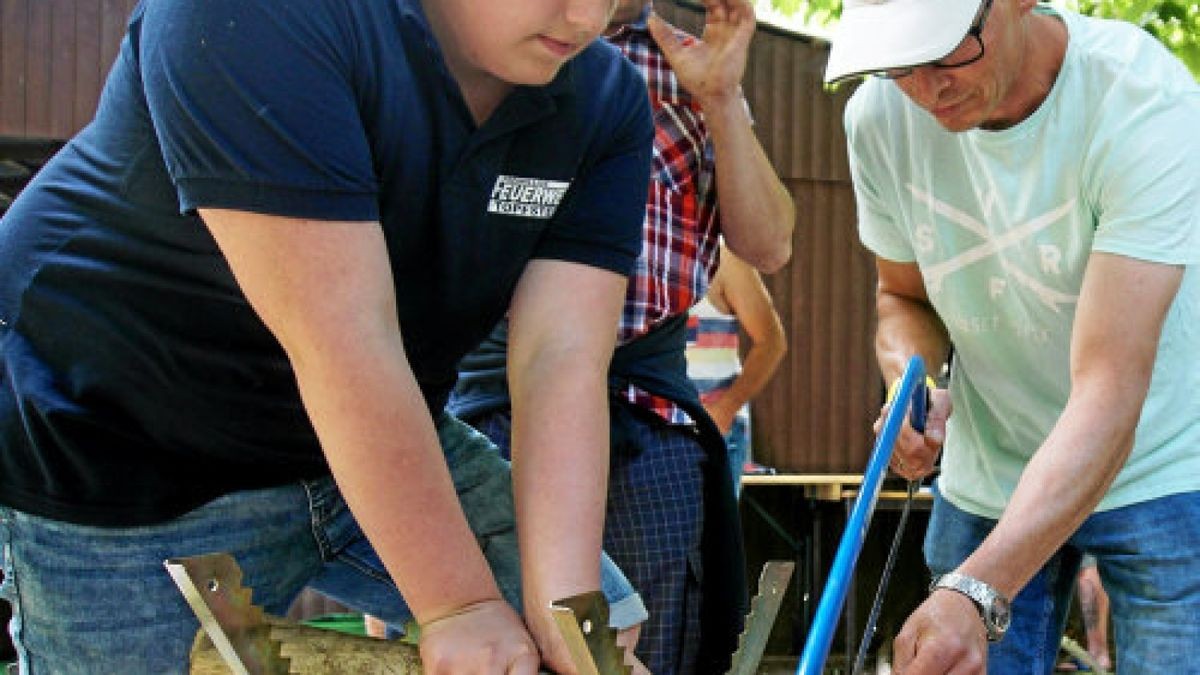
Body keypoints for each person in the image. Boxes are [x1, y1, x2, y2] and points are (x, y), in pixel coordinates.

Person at [0, 0, 661, 672]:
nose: (585, 17)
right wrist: (458, 606)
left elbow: (561, 361)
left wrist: (569, 615)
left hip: (372, 426)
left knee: (603, 632)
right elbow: (343, 339)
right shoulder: (251, 16)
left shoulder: (604, 100)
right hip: (125, 438)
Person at [825, 0, 1200, 672]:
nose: (923, 88)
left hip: (1162, 464)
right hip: (988, 470)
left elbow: (1110, 388)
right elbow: (903, 296)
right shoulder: (880, 118)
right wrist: (914, 386)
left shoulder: (1144, 102)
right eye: (898, 63)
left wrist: (974, 585)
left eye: (945, 50)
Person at [450, 0, 795, 671]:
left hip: (646, 406)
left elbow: (770, 243)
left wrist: (720, 97)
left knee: (650, 645)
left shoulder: (687, 55)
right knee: (497, 644)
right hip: (494, 398)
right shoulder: (491, 32)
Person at [686, 243, 787, 496]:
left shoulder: (723, 257)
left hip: (711, 429)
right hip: (649, 425)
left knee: (711, 535)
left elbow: (772, 341)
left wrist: (725, 408)